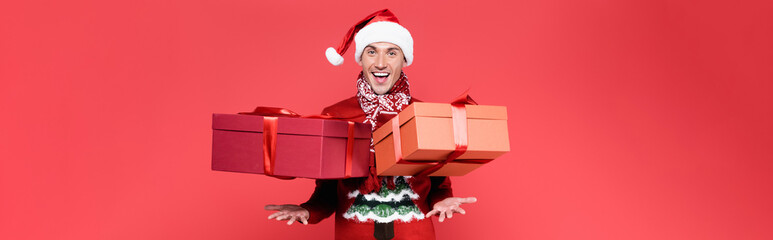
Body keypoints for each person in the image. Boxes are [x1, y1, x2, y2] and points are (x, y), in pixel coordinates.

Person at [264, 9, 477, 240]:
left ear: (404, 59)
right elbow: (327, 191)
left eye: (392, 53)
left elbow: (439, 183)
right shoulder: (335, 115)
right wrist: (308, 210)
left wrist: (443, 200)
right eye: (372, 52)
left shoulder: (425, 116)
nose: (381, 63)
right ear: (361, 58)